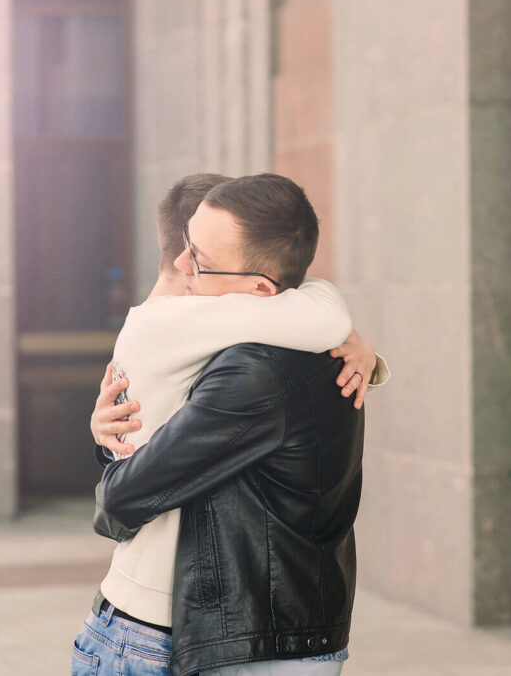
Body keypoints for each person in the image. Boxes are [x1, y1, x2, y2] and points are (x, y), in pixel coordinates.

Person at [73, 173, 387, 676]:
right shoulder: (179, 325)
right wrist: (356, 342)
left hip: (175, 620)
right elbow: (322, 309)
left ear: (259, 290)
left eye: (198, 257)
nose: (184, 265)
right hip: (153, 620)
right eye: (188, 249)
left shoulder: (246, 348)